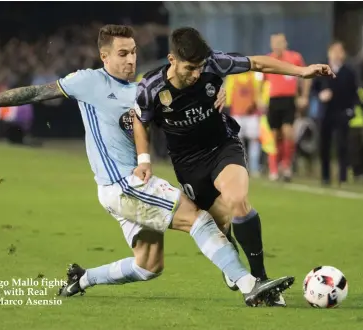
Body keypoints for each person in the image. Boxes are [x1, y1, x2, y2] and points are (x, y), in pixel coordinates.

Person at [0, 24, 294, 307]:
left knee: (149, 266)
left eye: (133, 52)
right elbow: (38, 92)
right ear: (104, 56)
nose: (131, 59)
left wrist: (219, 93)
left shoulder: (142, 91)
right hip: (124, 185)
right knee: (199, 220)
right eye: (122, 53)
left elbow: (186, 103)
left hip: (121, 190)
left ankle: (82, 278)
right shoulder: (88, 82)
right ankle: (249, 284)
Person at [133, 27, 334, 306]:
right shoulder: (150, 87)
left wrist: (302, 72)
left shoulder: (214, 63)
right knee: (223, 222)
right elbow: (140, 122)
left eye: (199, 67)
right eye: (190, 68)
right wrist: (144, 160)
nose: (196, 74)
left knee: (238, 200)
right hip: (188, 164)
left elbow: (258, 62)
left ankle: (262, 279)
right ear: (172, 59)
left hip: (222, 146)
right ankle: (232, 258)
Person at [257, 34, 311, 181]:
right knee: (274, 135)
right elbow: (261, 81)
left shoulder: (294, 57)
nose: (277, 45)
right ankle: (274, 168)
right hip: (273, 100)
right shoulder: (268, 59)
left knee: (288, 132)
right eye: (274, 43)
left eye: (280, 42)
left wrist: (304, 96)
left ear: (285, 43)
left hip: (288, 100)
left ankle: (286, 166)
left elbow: (306, 76)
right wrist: (260, 99)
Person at [312, 41, 359, 186]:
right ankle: (325, 177)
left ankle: (342, 177)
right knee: (324, 145)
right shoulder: (321, 69)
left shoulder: (349, 72)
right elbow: (314, 89)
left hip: (341, 112)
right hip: (325, 112)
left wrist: (351, 110)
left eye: (340, 51)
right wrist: (320, 95)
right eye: (334, 51)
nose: (337, 54)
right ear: (329, 53)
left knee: (342, 145)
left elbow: (355, 93)